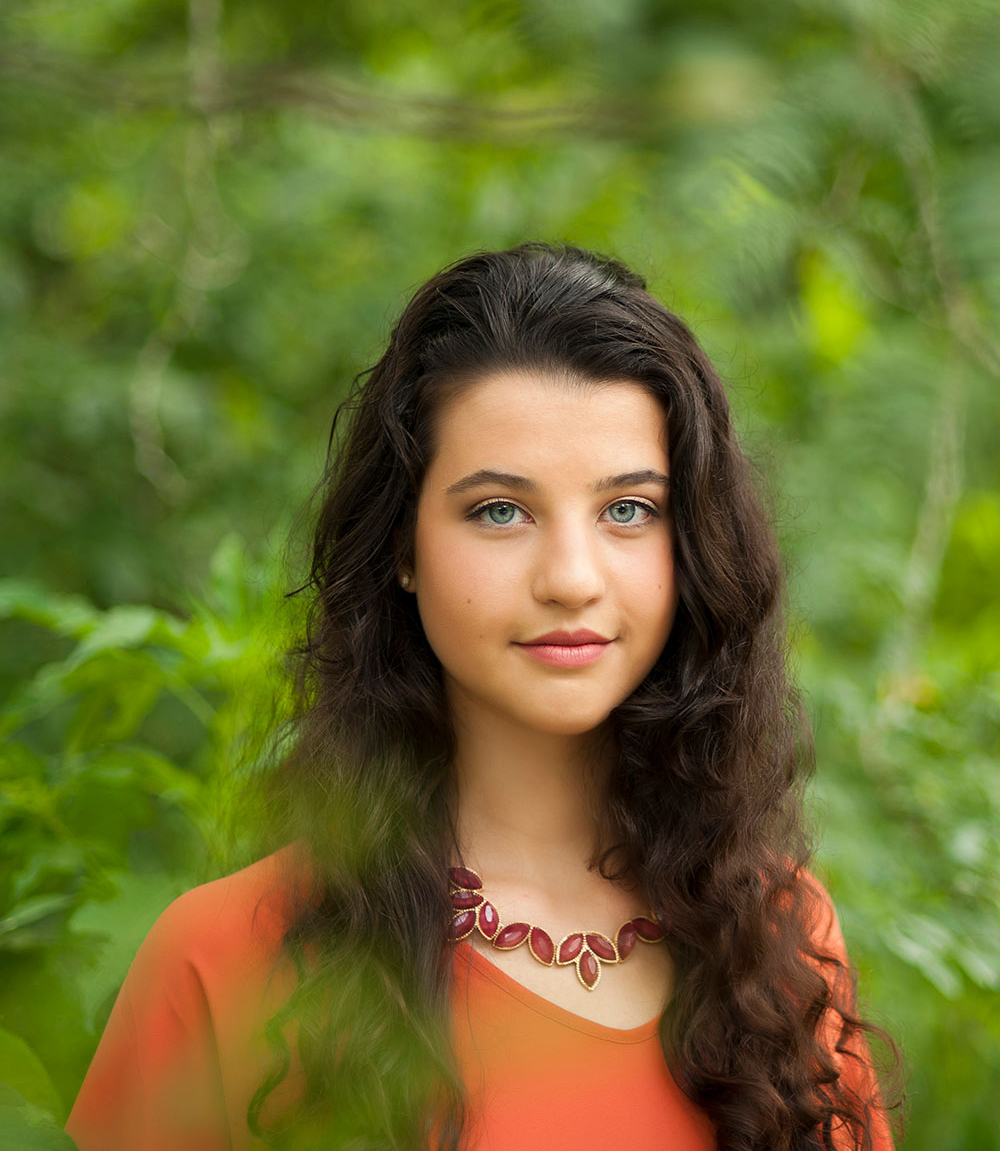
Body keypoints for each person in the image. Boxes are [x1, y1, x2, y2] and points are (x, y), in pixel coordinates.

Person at [66, 243, 899, 1151]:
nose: (572, 579)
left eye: (628, 509)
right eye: (501, 510)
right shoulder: (224, 956)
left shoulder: (776, 938)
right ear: (403, 549)